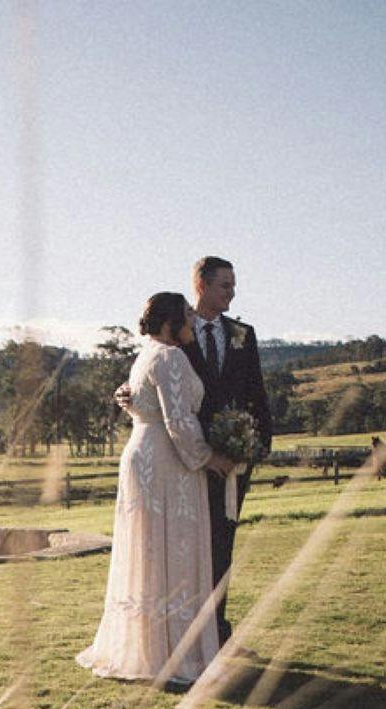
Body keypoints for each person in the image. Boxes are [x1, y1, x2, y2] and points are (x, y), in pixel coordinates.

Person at [77, 292, 240, 685]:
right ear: (171, 322)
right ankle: (171, 652)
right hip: (167, 463)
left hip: (145, 456)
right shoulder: (169, 356)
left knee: (152, 549)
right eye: (186, 315)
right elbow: (178, 420)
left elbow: (144, 404)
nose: (190, 321)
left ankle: (152, 645)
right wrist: (208, 458)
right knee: (173, 549)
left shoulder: (145, 354)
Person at [183, 256, 273, 645]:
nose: (232, 293)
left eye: (234, 286)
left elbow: (255, 391)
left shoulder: (242, 333)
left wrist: (255, 444)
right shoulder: (176, 327)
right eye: (225, 286)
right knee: (188, 543)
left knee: (223, 540)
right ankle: (186, 630)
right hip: (188, 457)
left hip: (235, 459)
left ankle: (217, 628)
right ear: (201, 285)